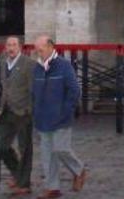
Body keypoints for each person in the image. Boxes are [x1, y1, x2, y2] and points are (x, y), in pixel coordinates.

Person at [32, 35, 86, 198]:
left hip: (61, 118)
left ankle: (79, 170)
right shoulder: (37, 68)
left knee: (61, 148)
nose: (38, 53)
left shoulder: (64, 66)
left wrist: (66, 110)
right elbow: (33, 92)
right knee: (47, 154)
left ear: (50, 47)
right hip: (42, 118)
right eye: (36, 51)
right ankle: (52, 187)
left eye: (40, 50)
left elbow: (74, 90)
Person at [0, 35, 37, 196]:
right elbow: (5, 88)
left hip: (23, 111)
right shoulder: (3, 63)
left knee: (25, 147)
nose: (11, 48)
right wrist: (0, 108)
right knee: (1, 144)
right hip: (7, 110)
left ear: (20, 47)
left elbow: (33, 90)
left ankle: (24, 183)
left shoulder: (29, 64)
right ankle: (17, 173)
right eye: (8, 45)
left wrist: (31, 109)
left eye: (14, 44)